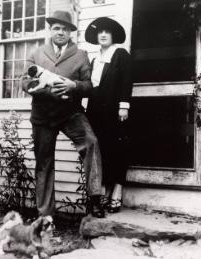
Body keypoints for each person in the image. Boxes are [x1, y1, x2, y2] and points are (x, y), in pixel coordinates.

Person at [22, 10, 105, 218]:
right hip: (42, 115)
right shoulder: (37, 53)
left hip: (70, 113)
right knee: (44, 163)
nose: (60, 32)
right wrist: (46, 88)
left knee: (91, 143)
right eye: (56, 28)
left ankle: (95, 200)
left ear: (71, 33)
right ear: (50, 30)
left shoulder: (81, 55)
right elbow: (24, 82)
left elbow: (89, 86)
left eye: (65, 29)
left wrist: (73, 85)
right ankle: (45, 215)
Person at [84, 17, 133, 213]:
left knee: (117, 149)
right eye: (100, 32)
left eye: (107, 32)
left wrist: (124, 106)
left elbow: (126, 80)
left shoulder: (120, 54)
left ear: (113, 36)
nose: (103, 35)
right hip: (97, 112)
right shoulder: (95, 59)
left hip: (115, 110)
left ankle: (117, 192)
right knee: (100, 150)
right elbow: (92, 87)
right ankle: (103, 190)